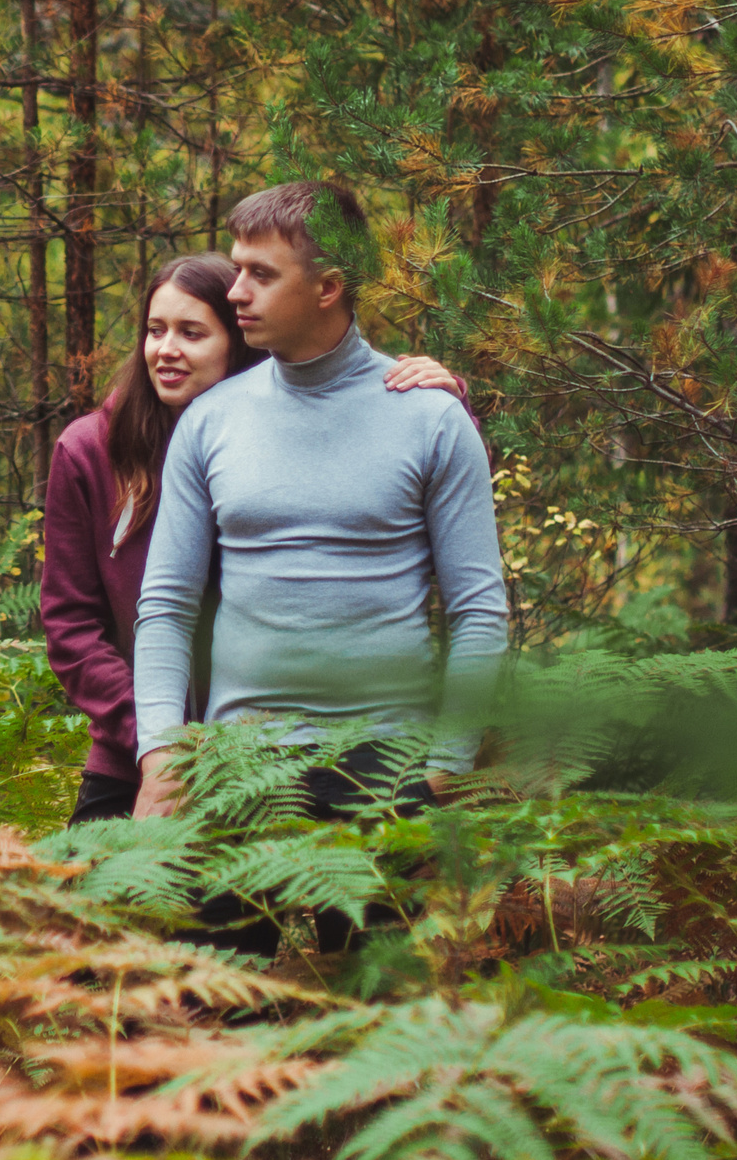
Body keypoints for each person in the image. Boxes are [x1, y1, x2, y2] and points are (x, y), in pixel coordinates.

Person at [129, 182, 509, 865]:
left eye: (261, 275)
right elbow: (165, 605)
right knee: (224, 973)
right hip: (239, 764)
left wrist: (447, 761)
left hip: (390, 767)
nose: (236, 291)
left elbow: (479, 609)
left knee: (374, 975)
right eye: (237, 268)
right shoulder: (210, 421)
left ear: (329, 285)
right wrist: (160, 749)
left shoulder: (430, 416)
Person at [38, 251, 469, 826]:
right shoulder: (89, 451)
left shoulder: (287, 436)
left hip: (272, 747)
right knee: (94, 905)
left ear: (237, 342)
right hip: (138, 750)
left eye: (192, 333)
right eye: (155, 329)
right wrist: (157, 739)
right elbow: (70, 627)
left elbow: (410, 499)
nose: (166, 349)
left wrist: (446, 403)